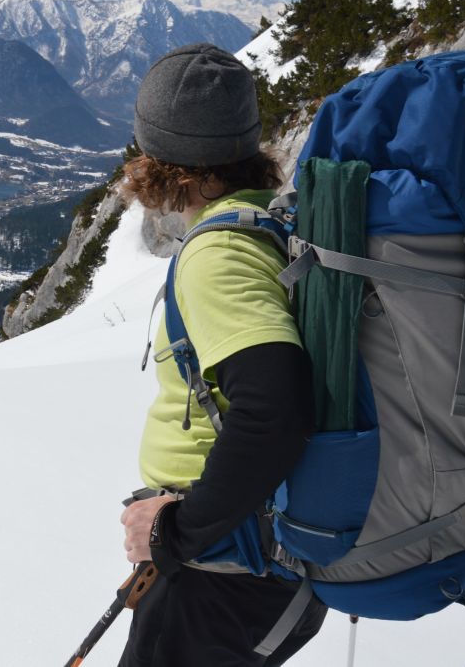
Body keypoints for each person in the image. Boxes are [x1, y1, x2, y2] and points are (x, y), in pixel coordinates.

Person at [116, 43, 326, 666]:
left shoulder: (219, 255)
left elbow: (274, 408)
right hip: (242, 558)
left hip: (226, 573)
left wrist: (177, 531)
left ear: (166, 159)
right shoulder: (269, 224)